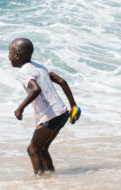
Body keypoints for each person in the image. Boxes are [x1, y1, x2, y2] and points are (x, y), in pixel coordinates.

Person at [8, 38, 79, 175]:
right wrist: (73, 106)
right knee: (43, 148)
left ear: (17, 55)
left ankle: (40, 181)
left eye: (9, 53)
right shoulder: (40, 66)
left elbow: (35, 89)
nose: (8, 57)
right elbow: (62, 81)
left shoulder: (23, 71)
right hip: (62, 112)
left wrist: (20, 108)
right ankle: (50, 177)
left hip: (50, 115)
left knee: (32, 149)